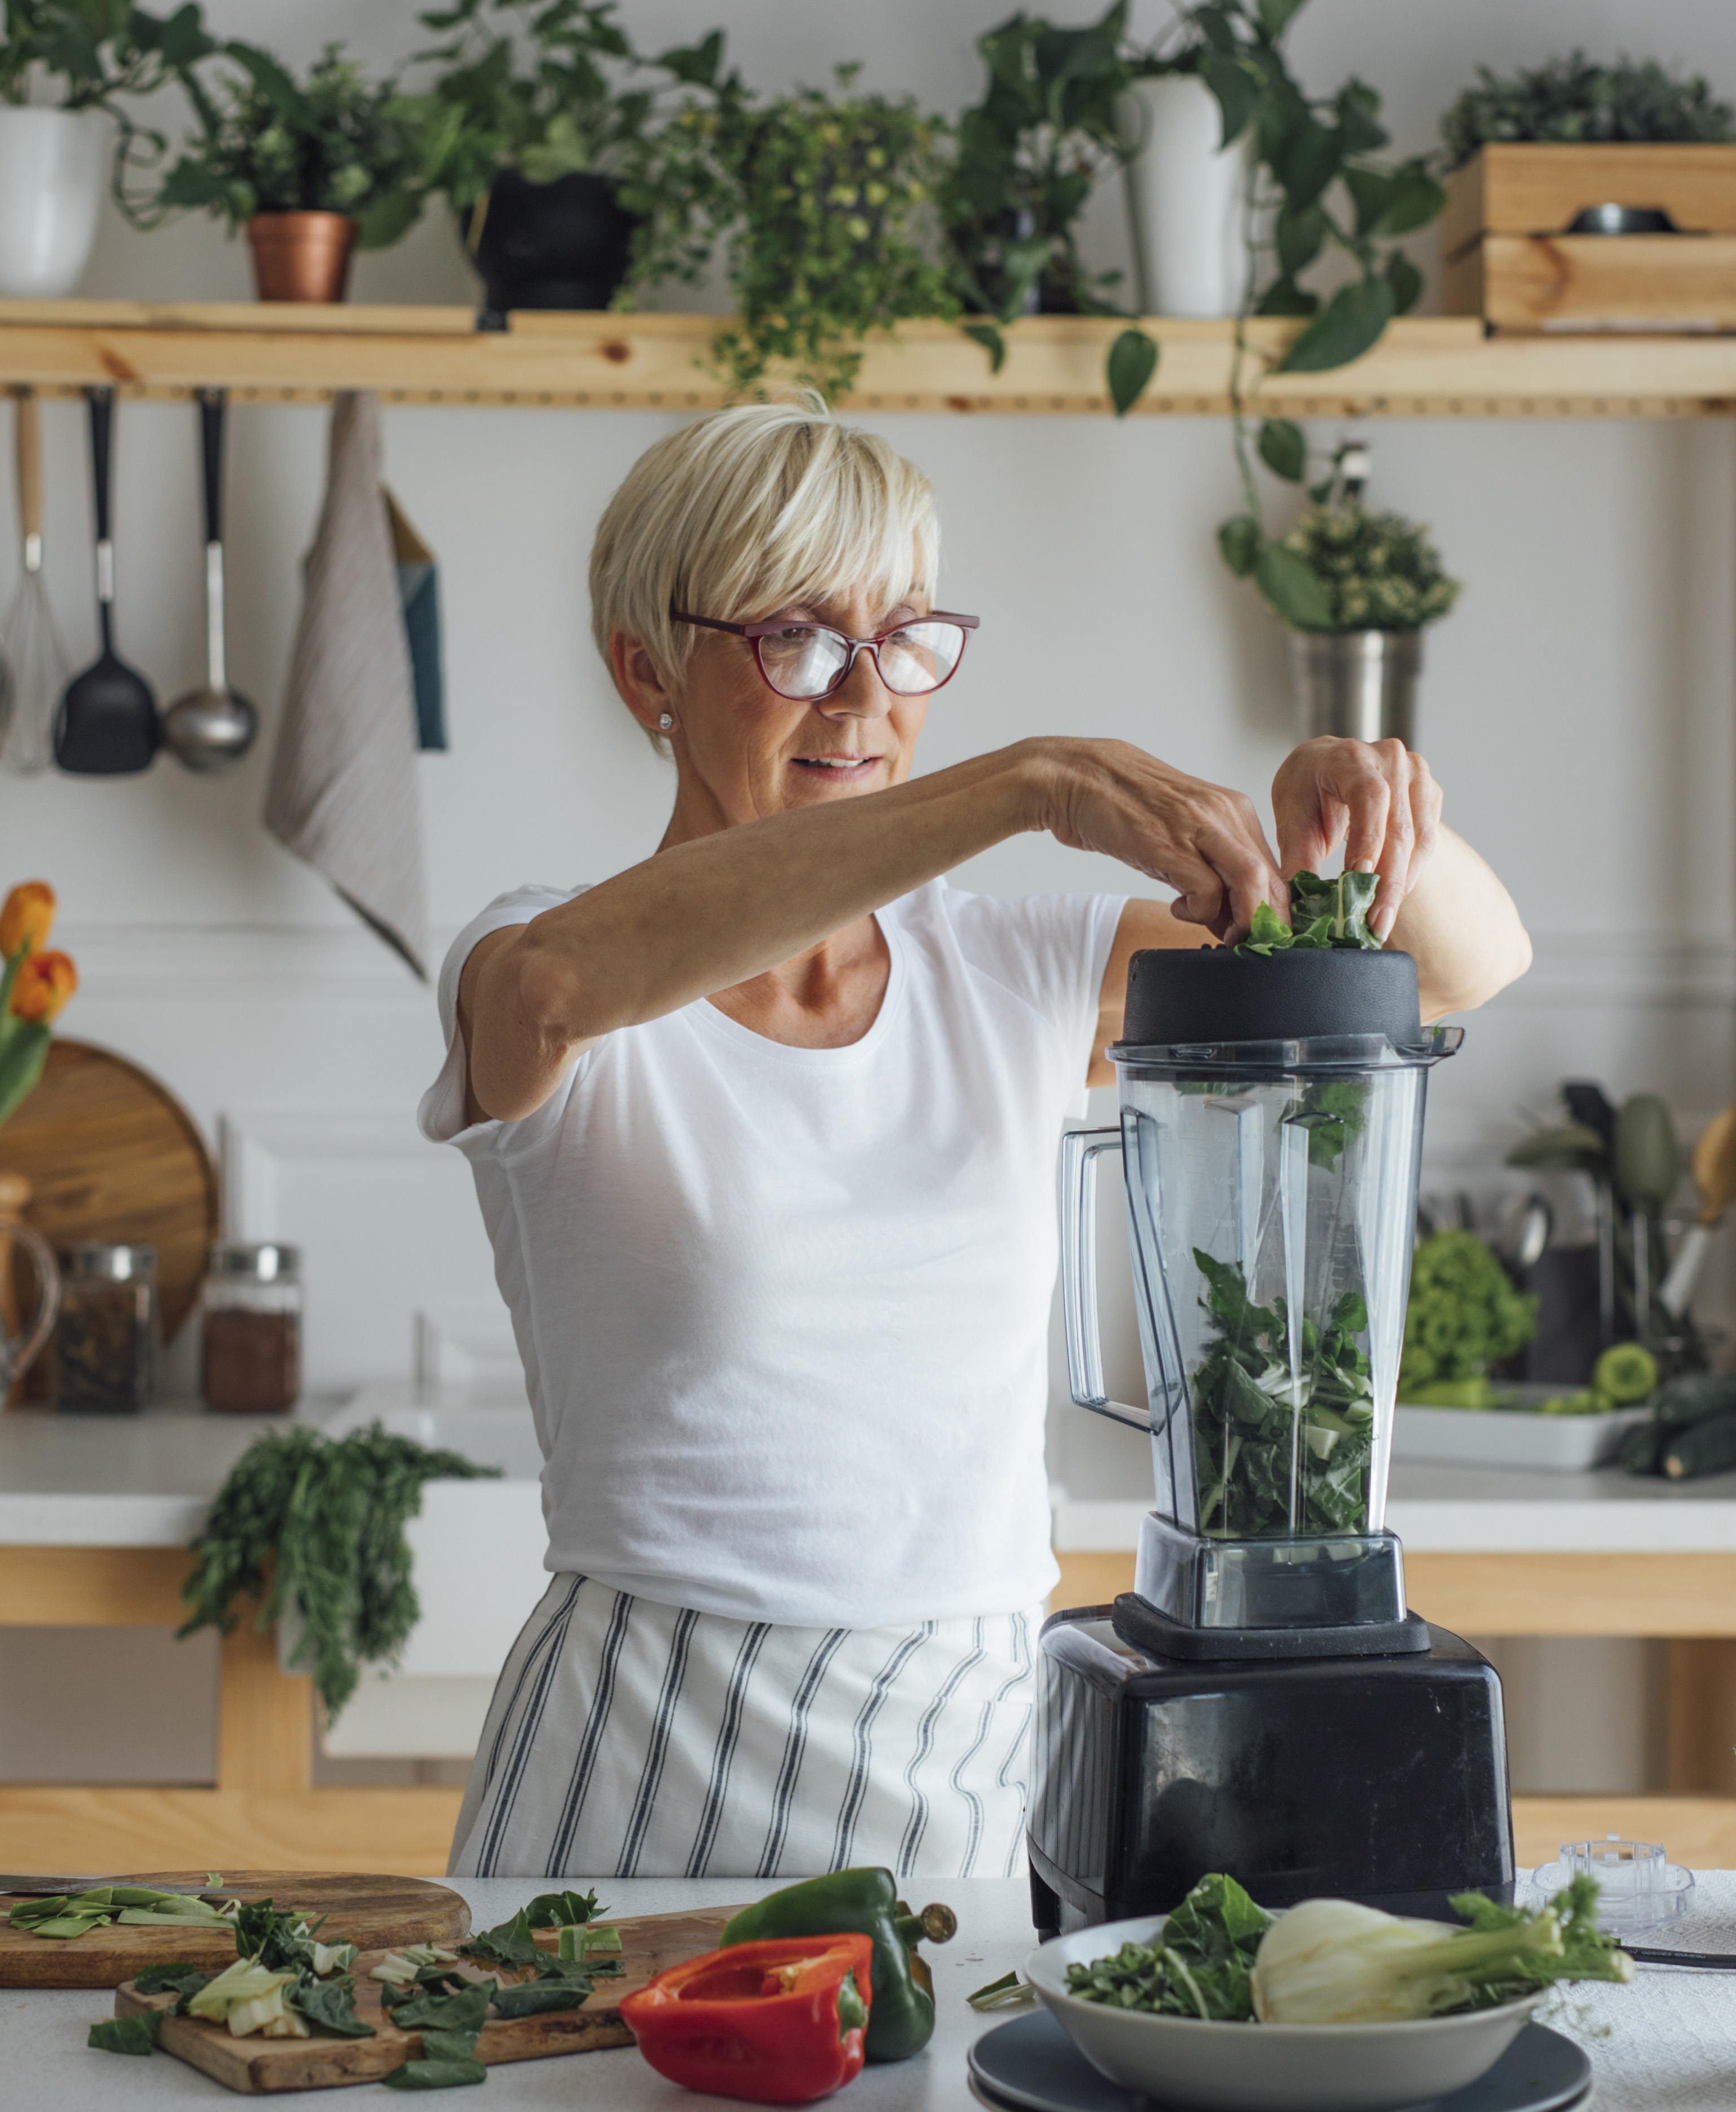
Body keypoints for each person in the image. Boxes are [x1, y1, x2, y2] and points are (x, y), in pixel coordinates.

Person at [423, 401, 1530, 1880]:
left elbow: (1460, 968)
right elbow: (559, 988)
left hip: (969, 1751)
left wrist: (1375, 812)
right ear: (646, 673)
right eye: (796, 640)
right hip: (641, 1760)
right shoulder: (552, 961)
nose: (866, 700)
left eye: (907, 638)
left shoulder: (1019, 973)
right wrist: (1024, 787)